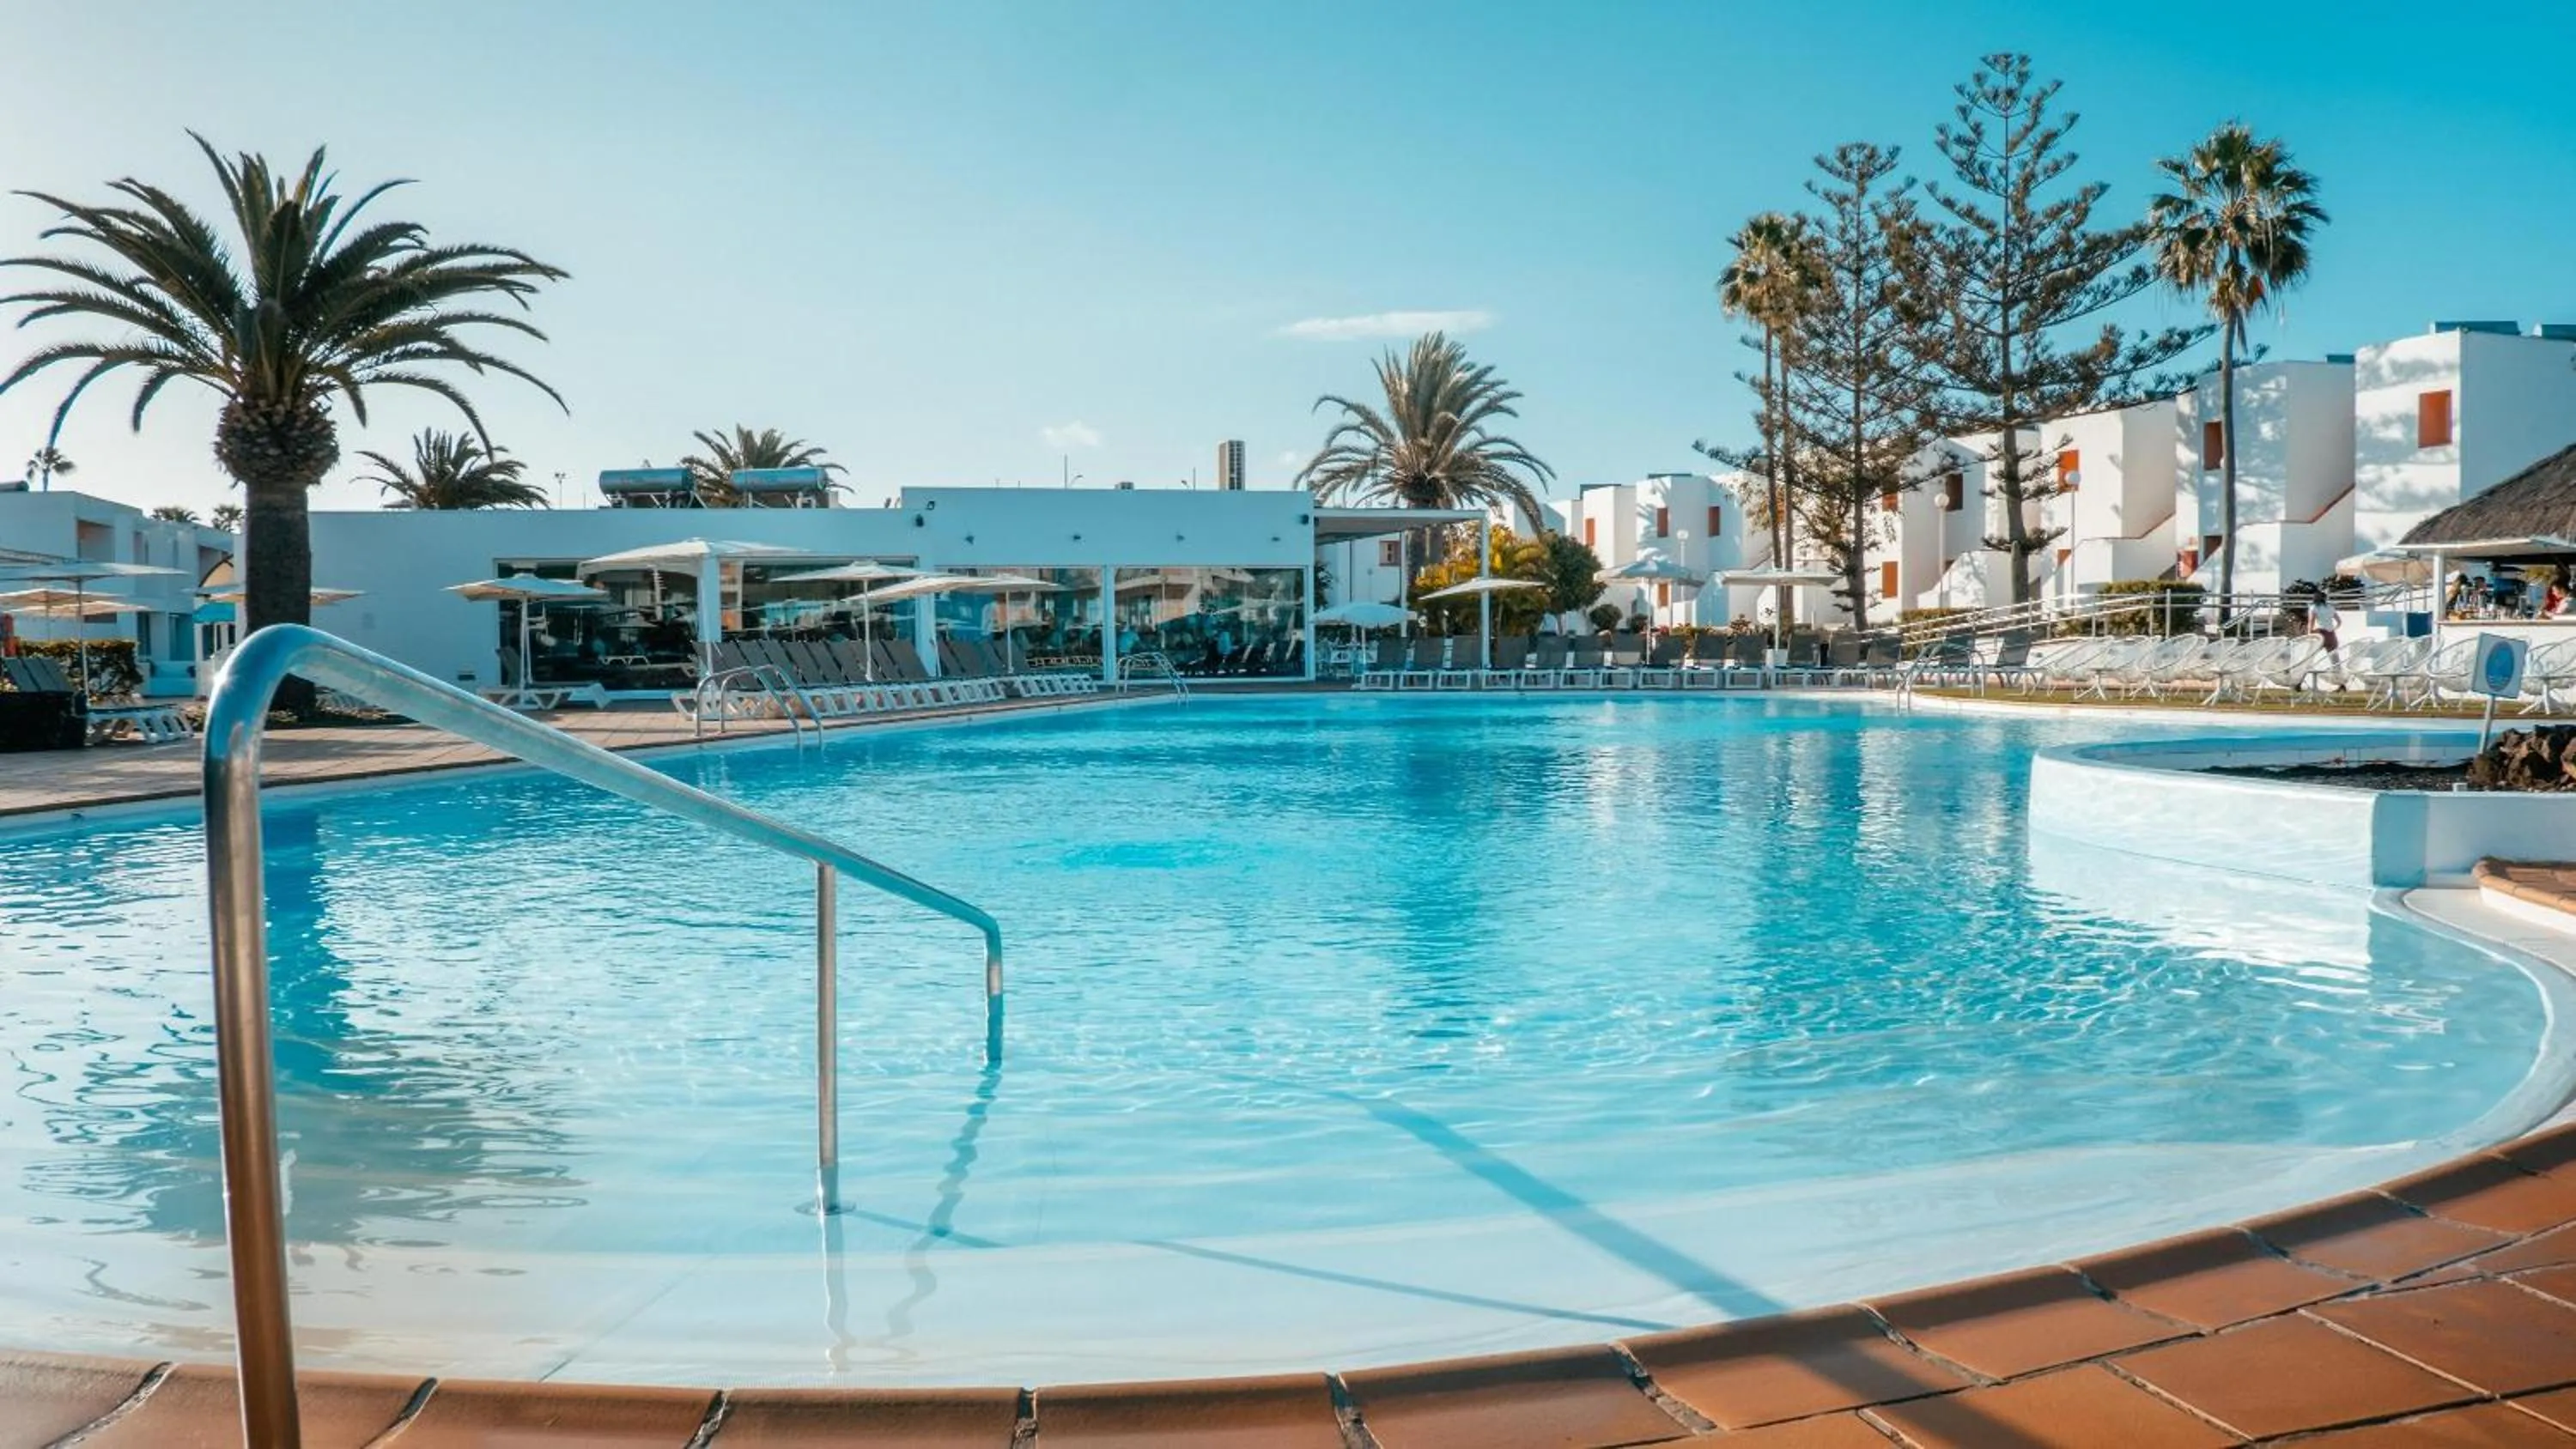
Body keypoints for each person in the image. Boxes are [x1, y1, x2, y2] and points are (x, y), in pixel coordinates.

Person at [2311, 591, 2341, 655]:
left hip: (2320, 633)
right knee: (2334, 657)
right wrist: (2333, 629)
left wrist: (2309, 633)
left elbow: (2311, 622)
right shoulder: (2330, 607)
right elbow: (2339, 622)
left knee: (2311, 654)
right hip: (2331, 634)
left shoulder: (2314, 607)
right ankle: (2337, 665)